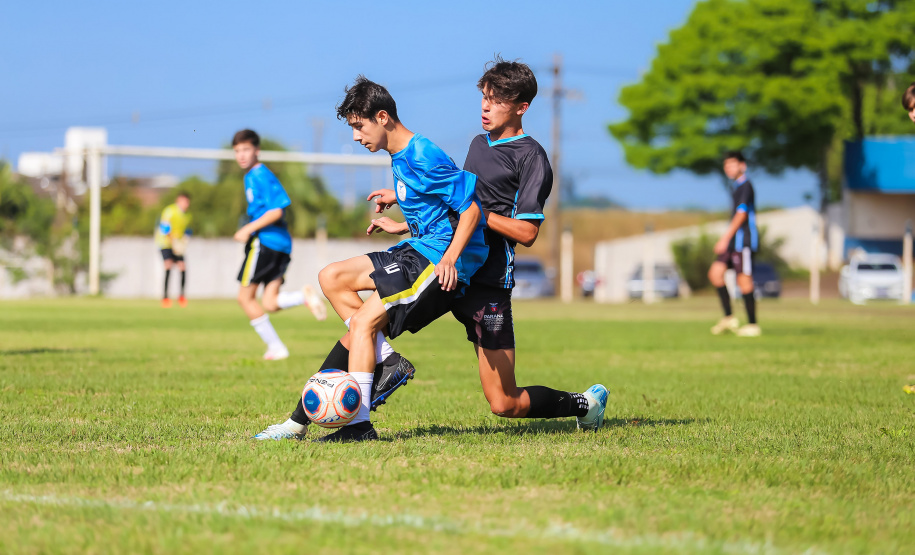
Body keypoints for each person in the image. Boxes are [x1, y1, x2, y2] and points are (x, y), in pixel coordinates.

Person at [255, 76, 488, 442]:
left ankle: (357, 426)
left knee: (362, 325)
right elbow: (435, 208)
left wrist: (451, 259)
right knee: (331, 277)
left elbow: (471, 210)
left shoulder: (422, 153)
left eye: (357, 125)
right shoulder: (399, 156)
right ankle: (387, 358)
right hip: (418, 248)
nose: (355, 136)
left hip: (440, 261)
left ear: (382, 117)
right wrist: (400, 221)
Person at [232, 129, 327, 361]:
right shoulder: (254, 176)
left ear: (257, 150)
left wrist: (248, 228)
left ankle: (277, 347)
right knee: (270, 303)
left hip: (265, 243)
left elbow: (276, 211)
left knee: (245, 298)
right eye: (237, 151)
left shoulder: (259, 175)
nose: (241, 155)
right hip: (282, 245)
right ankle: (302, 298)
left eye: (246, 149)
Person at [708, 151, 760, 337]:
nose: (728, 168)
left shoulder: (746, 186)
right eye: (726, 165)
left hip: (742, 241)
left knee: (743, 280)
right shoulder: (735, 187)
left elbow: (742, 214)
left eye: (732, 164)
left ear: (742, 166)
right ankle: (729, 317)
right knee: (715, 274)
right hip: (732, 242)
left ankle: (753, 325)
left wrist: (724, 238)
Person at [155, 192, 191, 308]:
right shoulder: (170, 211)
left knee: (182, 266)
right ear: (179, 200)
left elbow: (187, 230)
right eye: (185, 201)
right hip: (165, 243)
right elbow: (164, 227)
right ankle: (165, 297)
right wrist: (173, 241)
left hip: (177, 245)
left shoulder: (186, 215)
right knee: (168, 265)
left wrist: (184, 240)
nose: (187, 204)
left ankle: (181, 296)